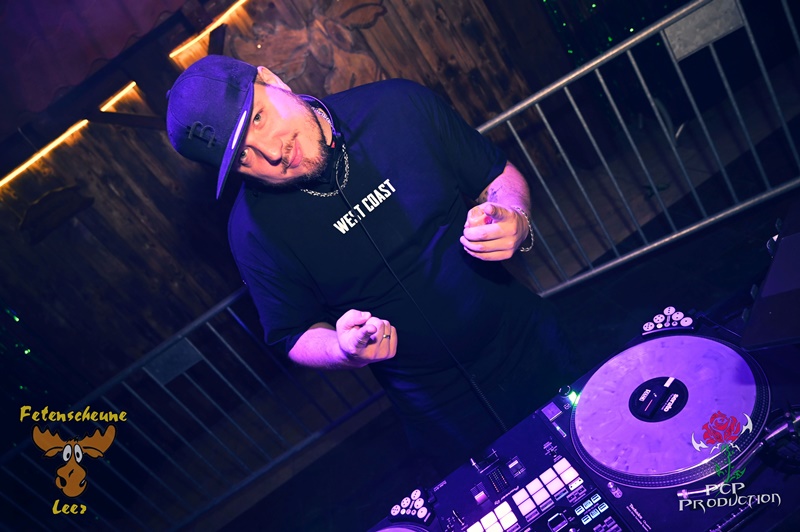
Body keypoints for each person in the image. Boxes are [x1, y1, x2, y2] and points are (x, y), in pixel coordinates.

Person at [166, 55, 575, 475]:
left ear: (272, 80)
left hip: (531, 340)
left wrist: (515, 217)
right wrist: (340, 350)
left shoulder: (397, 105)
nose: (272, 153)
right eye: (242, 156)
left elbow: (495, 174)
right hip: (437, 410)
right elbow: (292, 333)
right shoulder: (251, 233)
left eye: (258, 118)